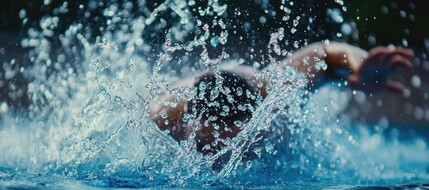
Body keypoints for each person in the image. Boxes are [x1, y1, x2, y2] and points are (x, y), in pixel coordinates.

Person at [149, 41, 414, 170]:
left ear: (256, 124)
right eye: (204, 146)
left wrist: (359, 67)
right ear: (189, 122)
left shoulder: (275, 93)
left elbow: (326, 51)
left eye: (232, 146)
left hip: (246, 81)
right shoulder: (164, 115)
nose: (219, 157)